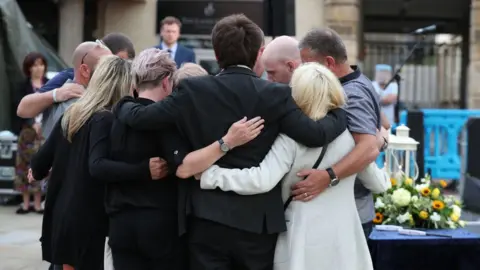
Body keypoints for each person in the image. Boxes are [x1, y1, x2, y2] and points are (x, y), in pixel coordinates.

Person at [116, 14, 347, 270]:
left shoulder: (193, 90)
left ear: (216, 54)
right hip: (257, 223)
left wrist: (123, 103)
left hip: (206, 217)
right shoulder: (276, 95)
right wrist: (341, 113)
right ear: (258, 54)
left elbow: (142, 117)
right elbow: (315, 135)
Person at [194, 63, 391, 270]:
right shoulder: (351, 137)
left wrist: (209, 174)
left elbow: (260, 180)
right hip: (344, 241)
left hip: (299, 240)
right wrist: (382, 142)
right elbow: (379, 184)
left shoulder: (290, 139)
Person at [30, 56, 135, 270]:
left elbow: (39, 162)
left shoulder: (73, 114)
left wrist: (42, 171)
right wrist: (143, 170)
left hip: (62, 213)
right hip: (85, 218)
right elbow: (98, 166)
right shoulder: (105, 119)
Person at [296, 28, 388, 239]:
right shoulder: (360, 81)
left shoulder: (352, 93)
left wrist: (327, 176)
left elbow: (368, 148)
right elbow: (384, 124)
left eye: (308, 64)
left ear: (329, 62)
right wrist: (382, 137)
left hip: (352, 212)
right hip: (349, 210)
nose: (303, 70)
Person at [16, 33, 135, 119]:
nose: (120, 69)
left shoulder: (128, 83)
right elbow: (23, 109)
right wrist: (56, 94)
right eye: (116, 61)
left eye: (125, 65)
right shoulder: (71, 77)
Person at [12, 52, 48, 214]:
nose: (38, 68)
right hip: (27, 133)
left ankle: (38, 203)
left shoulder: (51, 84)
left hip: (45, 131)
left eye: (41, 64)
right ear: (28, 68)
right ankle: (26, 203)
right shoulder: (22, 86)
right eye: (34, 65)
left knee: (42, 165)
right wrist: (31, 123)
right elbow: (18, 109)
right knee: (24, 166)